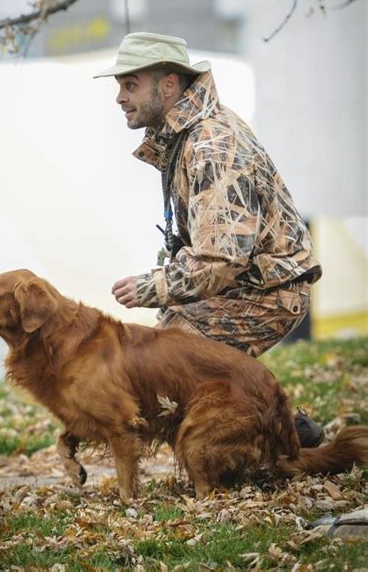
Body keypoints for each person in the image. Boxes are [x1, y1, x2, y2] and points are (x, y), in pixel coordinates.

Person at [94, 32, 324, 447]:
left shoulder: (211, 145)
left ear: (168, 86)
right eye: (119, 86)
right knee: (165, 352)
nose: (120, 98)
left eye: (130, 85)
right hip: (245, 284)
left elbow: (222, 260)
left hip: (269, 291)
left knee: (170, 358)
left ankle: (275, 437)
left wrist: (153, 286)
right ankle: (283, 431)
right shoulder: (188, 135)